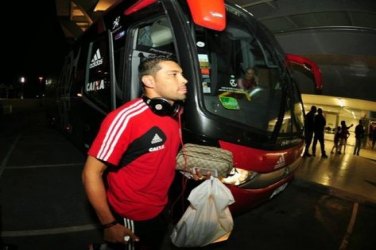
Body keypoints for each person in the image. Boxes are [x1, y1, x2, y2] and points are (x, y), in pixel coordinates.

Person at [82, 57, 191, 250]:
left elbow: (160, 157)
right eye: (174, 75)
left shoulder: (173, 115)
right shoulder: (125, 119)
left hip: (161, 205)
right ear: (149, 81)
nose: (184, 80)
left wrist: (189, 168)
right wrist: (109, 224)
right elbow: (91, 173)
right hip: (132, 213)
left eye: (181, 74)